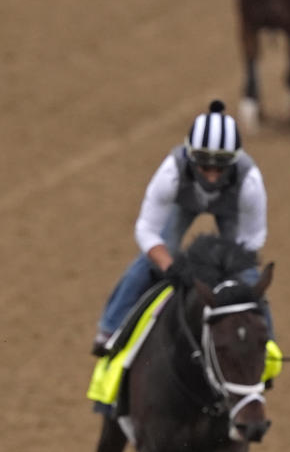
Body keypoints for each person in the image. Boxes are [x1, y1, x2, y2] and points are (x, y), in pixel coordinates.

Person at [92, 100, 272, 353]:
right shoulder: (170, 175)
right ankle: (109, 327)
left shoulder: (249, 183)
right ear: (189, 156)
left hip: (229, 208)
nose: (212, 176)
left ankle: (268, 345)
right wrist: (170, 266)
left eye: (220, 166)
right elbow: (147, 230)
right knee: (151, 260)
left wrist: (229, 266)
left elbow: (252, 240)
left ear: (234, 162)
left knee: (247, 274)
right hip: (183, 202)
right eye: (203, 164)